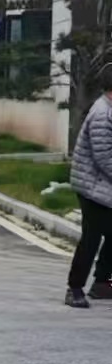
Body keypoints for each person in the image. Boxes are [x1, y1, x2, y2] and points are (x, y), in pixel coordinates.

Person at [65, 63, 112, 307]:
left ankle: (102, 283)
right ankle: (74, 288)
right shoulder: (102, 114)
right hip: (92, 187)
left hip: (104, 187)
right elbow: (104, 156)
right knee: (91, 238)